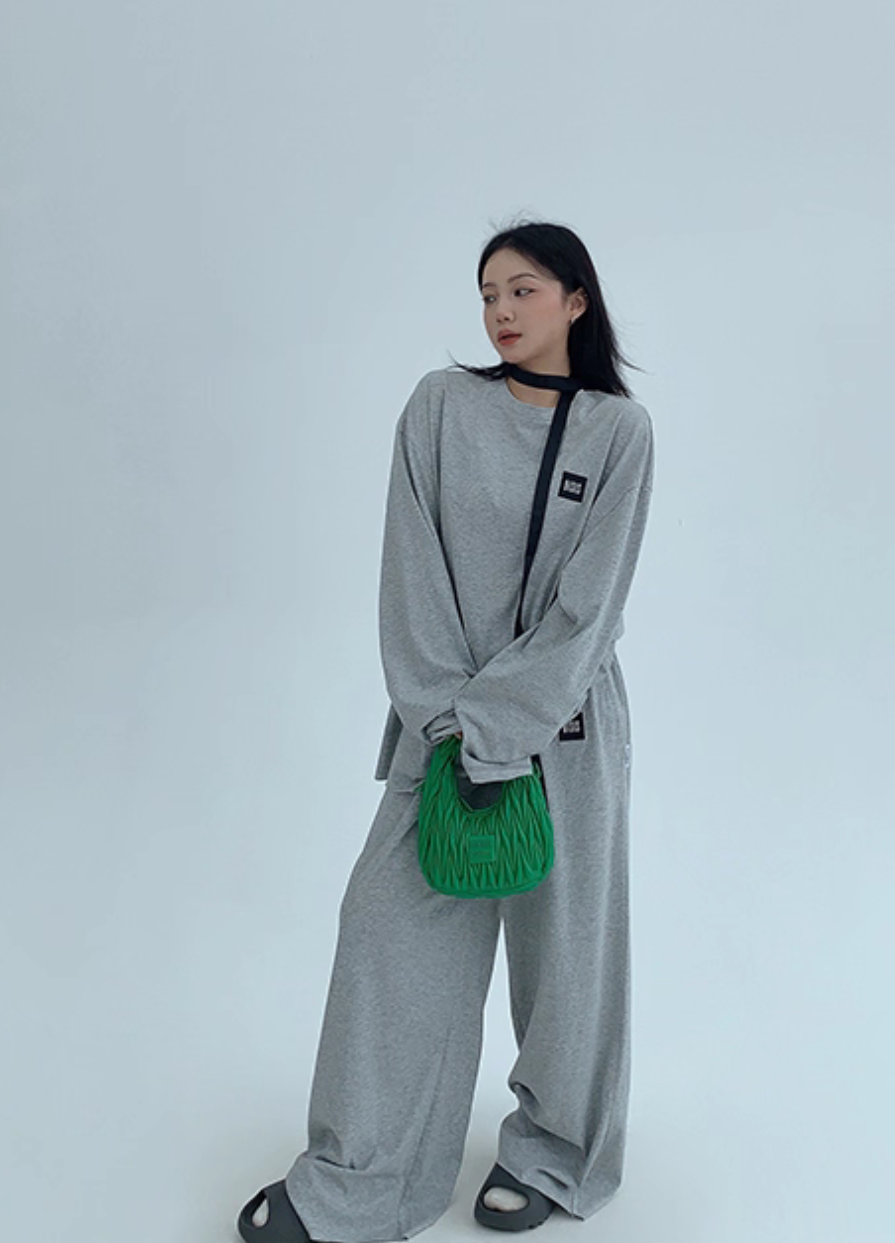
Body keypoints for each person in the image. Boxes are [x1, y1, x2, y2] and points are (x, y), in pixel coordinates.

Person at [237, 220, 655, 1243]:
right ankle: (362, 1177)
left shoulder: (619, 432)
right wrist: (451, 723)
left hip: (568, 733)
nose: (500, 311)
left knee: (568, 959)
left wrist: (504, 721)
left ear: (576, 300)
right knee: (386, 941)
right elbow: (410, 575)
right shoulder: (438, 407)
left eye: (522, 289)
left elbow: (590, 611)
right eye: (487, 295)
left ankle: (555, 1155)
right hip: (442, 735)